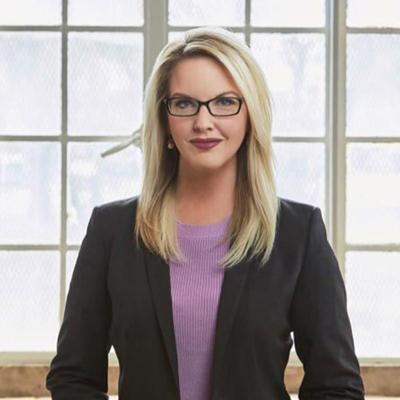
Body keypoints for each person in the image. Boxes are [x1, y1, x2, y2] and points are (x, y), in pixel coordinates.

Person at [46, 26, 365, 400]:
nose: (203, 122)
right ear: (164, 118)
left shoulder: (298, 234)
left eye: (225, 102)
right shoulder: (112, 231)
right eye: (184, 104)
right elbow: (73, 377)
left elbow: (337, 387)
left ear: (250, 114)